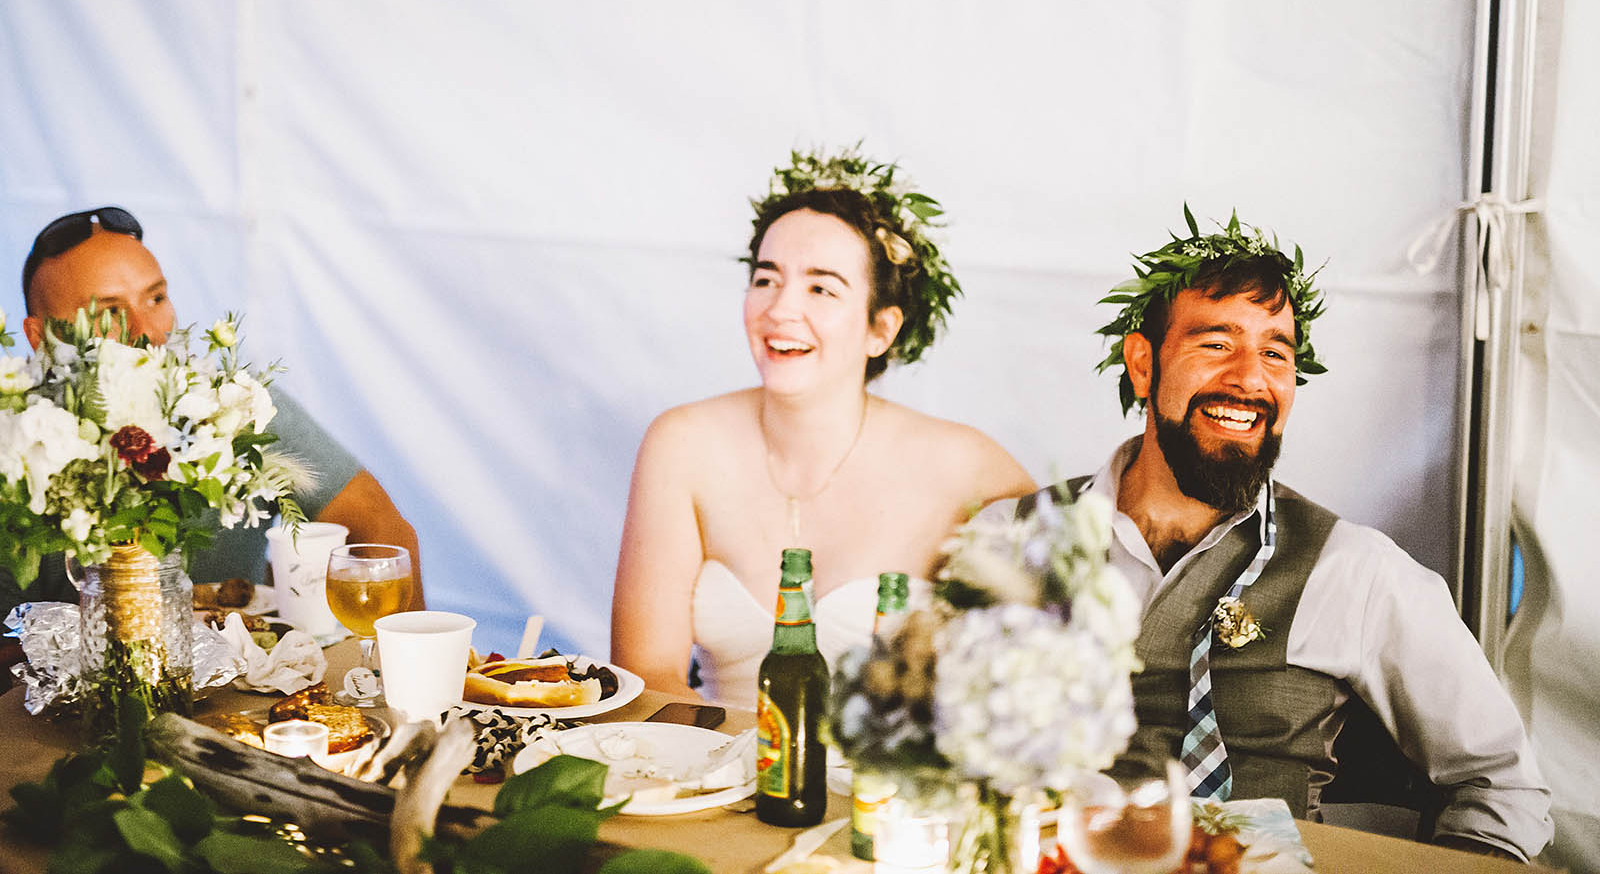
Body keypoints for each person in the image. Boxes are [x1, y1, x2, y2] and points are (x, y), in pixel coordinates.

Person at [974, 210, 1552, 861]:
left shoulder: (1354, 570)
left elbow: (1501, 784)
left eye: (1275, 352)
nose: (1251, 377)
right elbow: (932, 743)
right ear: (1143, 365)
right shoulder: (1010, 539)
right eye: (1216, 342)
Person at [611, 151, 1035, 709]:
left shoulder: (969, 468)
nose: (780, 309)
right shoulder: (681, 444)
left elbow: (1046, 668)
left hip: (886, 788)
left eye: (821, 289)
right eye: (766, 279)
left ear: (880, 329)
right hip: (712, 771)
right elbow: (645, 673)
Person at [0, 206, 425, 620]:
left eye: (156, 297)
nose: (147, 332)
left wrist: (390, 675)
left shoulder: (235, 405)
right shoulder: (13, 439)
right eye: (108, 311)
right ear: (40, 337)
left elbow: (382, 530)